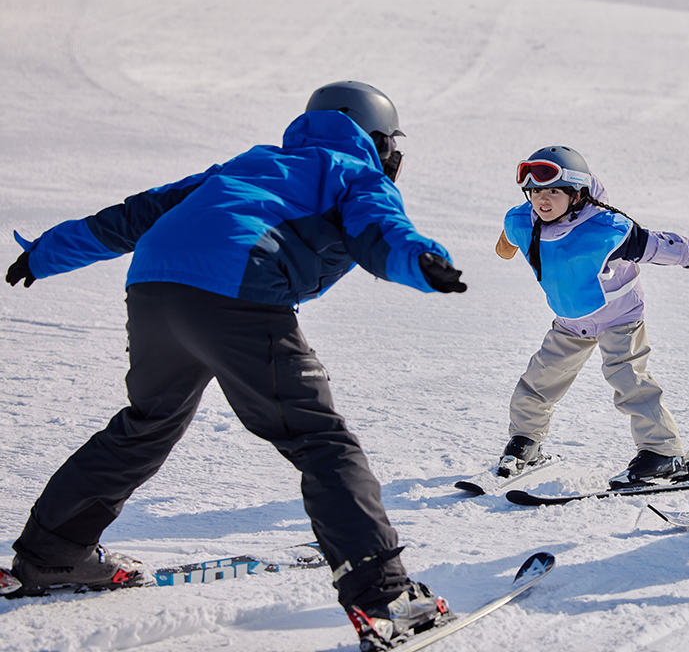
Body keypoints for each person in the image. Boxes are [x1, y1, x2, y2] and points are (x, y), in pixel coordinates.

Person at [2, 82, 466, 649]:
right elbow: (380, 230)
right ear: (379, 140)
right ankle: (385, 598)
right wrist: (423, 263)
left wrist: (46, 253)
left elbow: (134, 215)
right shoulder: (353, 171)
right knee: (320, 440)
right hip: (236, 288)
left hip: (154, 286)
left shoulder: (255, 162)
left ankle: (52, 556)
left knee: (147, 423)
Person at [494, 145, 689, 488]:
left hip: (620, 317)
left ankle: (662, 451)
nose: (541, 200)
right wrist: (508, 240)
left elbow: (656, 245)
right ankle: (525, 440)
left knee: (629, 380)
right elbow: (511, 230)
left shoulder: (607, 230)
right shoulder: (524, 220)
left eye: (552, 192)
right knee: (539, 378)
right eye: (534, 193)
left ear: (578, 195)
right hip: (571, 321)